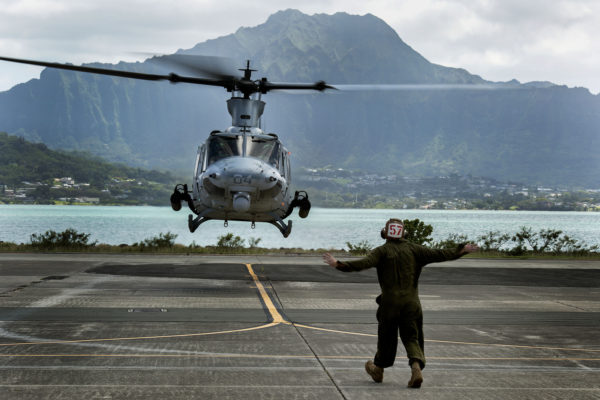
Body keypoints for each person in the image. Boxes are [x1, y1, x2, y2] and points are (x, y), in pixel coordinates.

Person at [323, 218, 478, 388]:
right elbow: (440, 254)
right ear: (403, 233)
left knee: (386, 338)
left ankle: (378, 369)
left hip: (389, 304)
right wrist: (461, 250)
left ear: (385, 234)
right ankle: (416, 367)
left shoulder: (381, 251)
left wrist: (338, 264)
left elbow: (363, 263)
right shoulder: (415, 250)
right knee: (412, 337)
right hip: (411, 303)